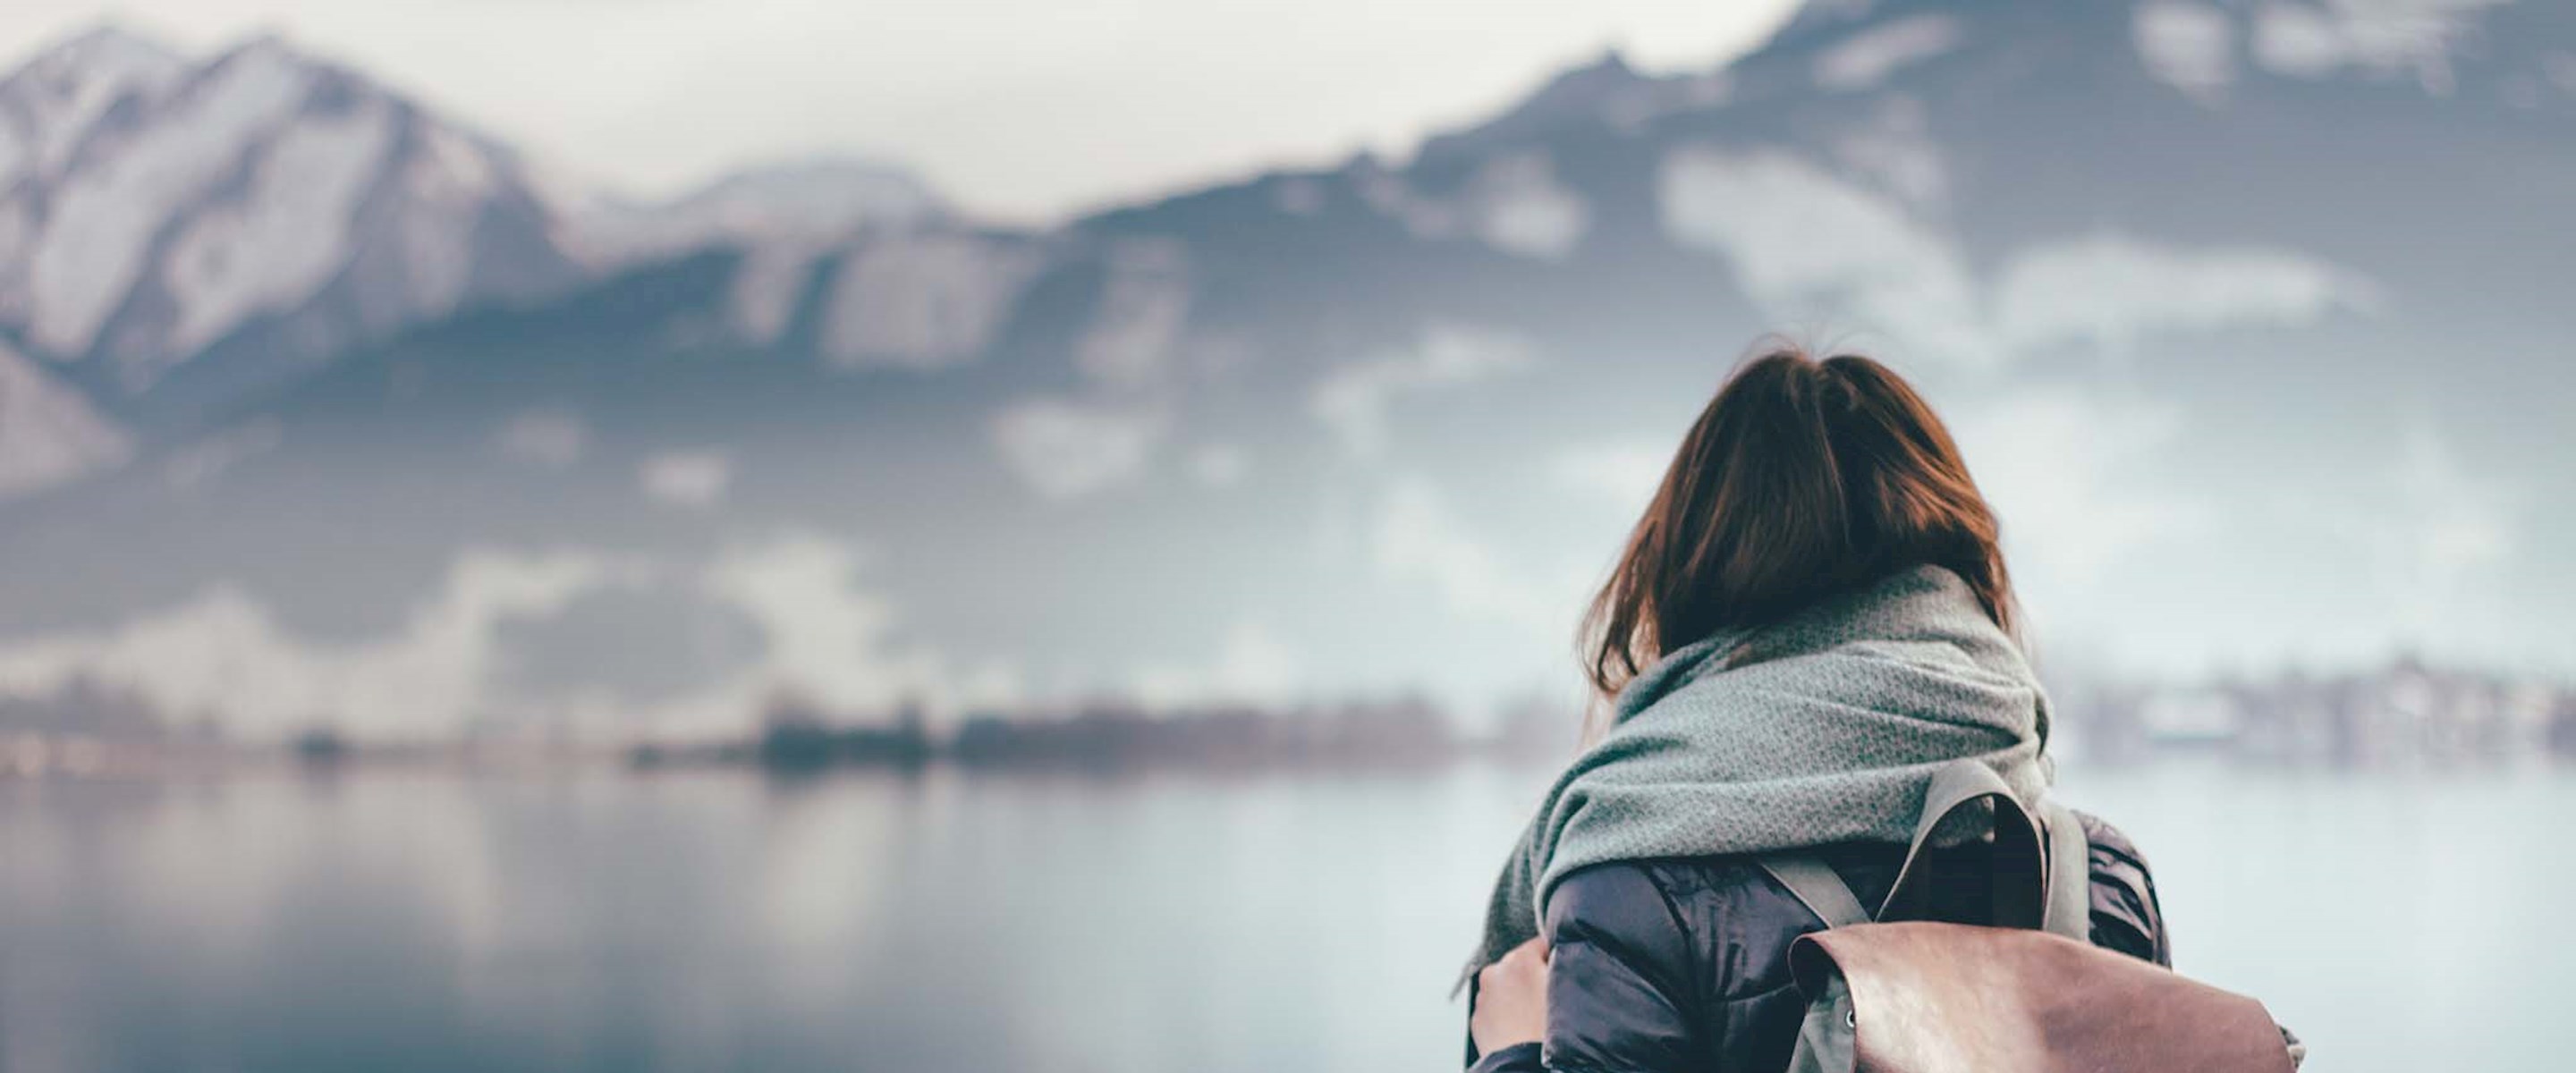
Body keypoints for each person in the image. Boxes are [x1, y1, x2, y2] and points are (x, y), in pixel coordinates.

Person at [1461, 347, 2169, 1072]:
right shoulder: (2099, 882)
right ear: (1957, 572)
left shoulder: (1631, 891)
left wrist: (1514, 1052)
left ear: (1691, 575)